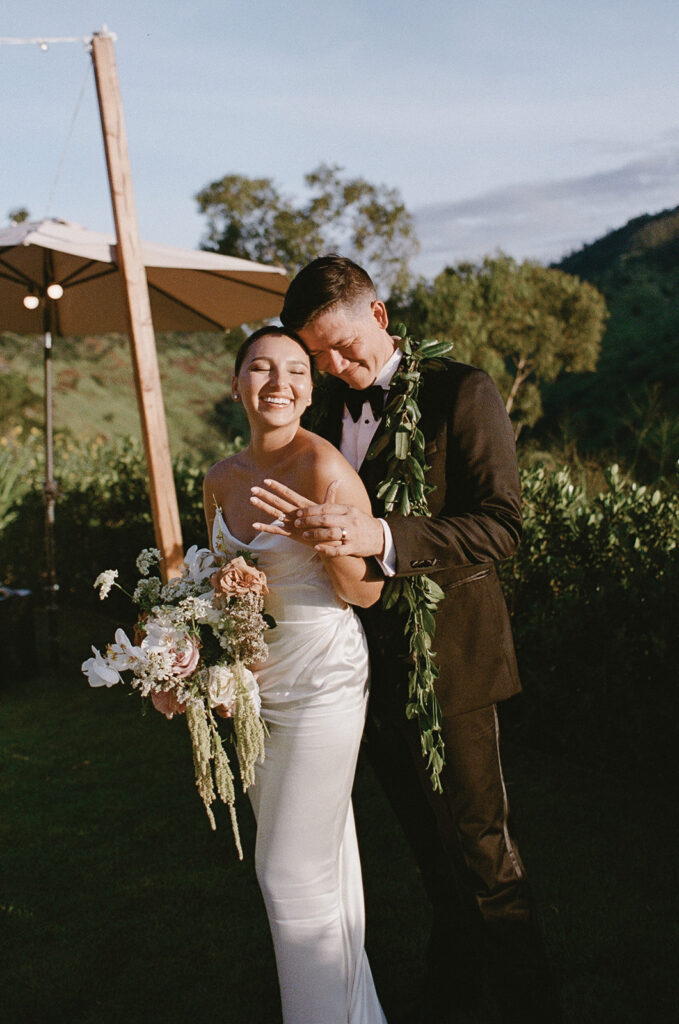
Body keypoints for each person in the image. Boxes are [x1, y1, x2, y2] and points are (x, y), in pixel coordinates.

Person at [251, 256, 562, 1024]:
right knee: (431, 859)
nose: (333, 367)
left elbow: (502, 525)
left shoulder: (463, 390)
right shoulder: (320, 416)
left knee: (483, 855)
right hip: (359, 672)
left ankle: (531, 1005)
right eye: (315, 356)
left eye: (342, 347)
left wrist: (379, 533)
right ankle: (450, 997)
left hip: (452, 661)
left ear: (380, 316)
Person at [203, 326, 388, 1024]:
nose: (278, 383)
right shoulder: (219, 477)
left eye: (294, 372)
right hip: (255, 691)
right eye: (260, 368)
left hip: (321, 682)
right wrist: (207, 662)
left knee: (286, 874)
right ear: (236, 383)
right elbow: (216, 580)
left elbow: (365, 591)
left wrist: (325, 538)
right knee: (324, 864)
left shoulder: (325, 470)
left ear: (311, 391)